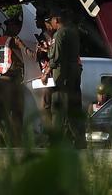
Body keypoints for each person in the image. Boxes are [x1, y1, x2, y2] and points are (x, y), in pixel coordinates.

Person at [0, 16, 34, 146]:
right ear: (12, 26)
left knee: (2, 113)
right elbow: (25, 58)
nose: (19, 29)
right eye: (17, 26)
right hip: (12, 80)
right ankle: (15, 142)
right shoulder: (13, 41)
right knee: (16, 111)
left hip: (0, 80)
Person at [46, 9, 86, 148]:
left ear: (56, 20)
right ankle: (80, 140)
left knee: (58, 108)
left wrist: (46, 73)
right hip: (75, 73)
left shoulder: (60, 33)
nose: (51, 23)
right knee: (74, 108)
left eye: (51, 20)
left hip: (63, 74)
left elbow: (56, 56)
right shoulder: (74, 31)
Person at [35, 10, 55, 130]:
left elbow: (54, 55)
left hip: (50, 74)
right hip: (45, 72)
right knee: (45, 106)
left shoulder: (50, 35)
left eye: (37, 19)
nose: (36, 22)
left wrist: (45, 50)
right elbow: (38, 57)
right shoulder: (42, 35)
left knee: (46, 106)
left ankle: (51, 135)